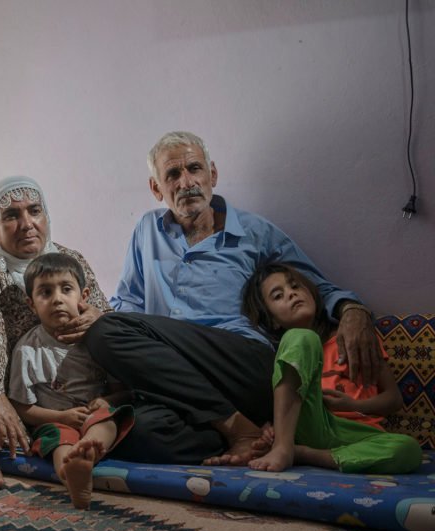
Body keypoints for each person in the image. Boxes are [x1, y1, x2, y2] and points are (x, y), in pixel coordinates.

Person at [85, 131, 385, 466]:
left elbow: (315, 285)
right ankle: (245, 432)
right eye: (172, 174)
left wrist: (352, 309)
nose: (186, 182)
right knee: (141, 432)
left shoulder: (256, 233)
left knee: (104, 329)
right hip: (179, 377)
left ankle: (237, 427)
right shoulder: (145, 230)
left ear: (212, 174)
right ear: (156, 188)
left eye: (194, 168)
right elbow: (129, 305)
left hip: (242, 364)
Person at [0, 176, 113, 491]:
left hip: (62, 384)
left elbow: (101, 310)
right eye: (12, 216)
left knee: (110, 328)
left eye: (34, 211)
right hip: (1, 383)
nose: (27, 224)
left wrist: (96, 316)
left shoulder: (66, 261)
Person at [240, 262, 420, 473]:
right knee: (301, 337)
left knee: (408, 449)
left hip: (358, 435)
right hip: (313, 425)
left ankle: (301, 454)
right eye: (278, 295)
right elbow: (284, 402)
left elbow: (394, 399)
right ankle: (283, 445)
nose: (291, 294)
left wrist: (354, 405)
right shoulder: (282, 352)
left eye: (295, 286)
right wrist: (273, 429)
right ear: (272, 320)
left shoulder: (354, 339)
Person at [8, 253, 133, 508]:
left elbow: (124, 392)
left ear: (83, 296)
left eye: (66, 289)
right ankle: (72, 472)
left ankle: (88, 450)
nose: (57, 299)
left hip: (93, 417)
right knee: (57, 440)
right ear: (31, 304)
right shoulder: (28, 350)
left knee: (107, 418)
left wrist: (105, 400)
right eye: (45, 292)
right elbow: (21, 408)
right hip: (56, 421)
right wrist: (61, 418)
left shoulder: (97, 341)